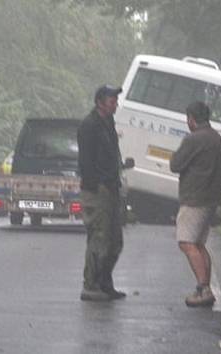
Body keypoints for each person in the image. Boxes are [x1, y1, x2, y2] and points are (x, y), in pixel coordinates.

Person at [170, 101, 221, 307]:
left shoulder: (193, 139)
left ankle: (203, 289)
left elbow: (176, 165)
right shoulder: (215, 137)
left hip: (194, 198)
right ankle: (205, 287)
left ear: (191, 118)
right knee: (199, 244)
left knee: (186, 242)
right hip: (211, 198)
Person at [77, 85, 126, 302]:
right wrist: (96, 185)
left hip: (111, 187)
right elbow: (86, 161)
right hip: (97, 190)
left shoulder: (108, 124)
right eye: (111, 100)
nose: (115, 104)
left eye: (116, 100)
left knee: (115, 240)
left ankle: (105, 282)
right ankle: (91, 284)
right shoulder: (90, 125)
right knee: (99, 238)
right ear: (99, 102)